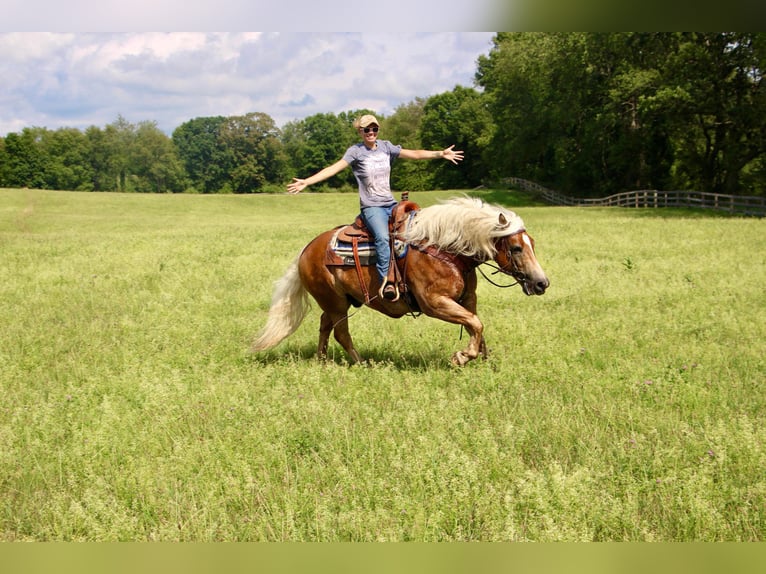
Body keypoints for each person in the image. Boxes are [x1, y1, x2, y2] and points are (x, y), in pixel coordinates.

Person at [287, 114, 464, 301]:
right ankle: (386, 281)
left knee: (415, 232)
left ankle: (414, 278)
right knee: (382, 237)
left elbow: (414, 154)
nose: (371, 133)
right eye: (366, 130)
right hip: (372, 208)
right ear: (360, 131)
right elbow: (334, 168)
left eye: (374, 129)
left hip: (391, 204)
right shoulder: (355, 151)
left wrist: (440, 154)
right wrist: (307, 181)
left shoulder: (386, 147)